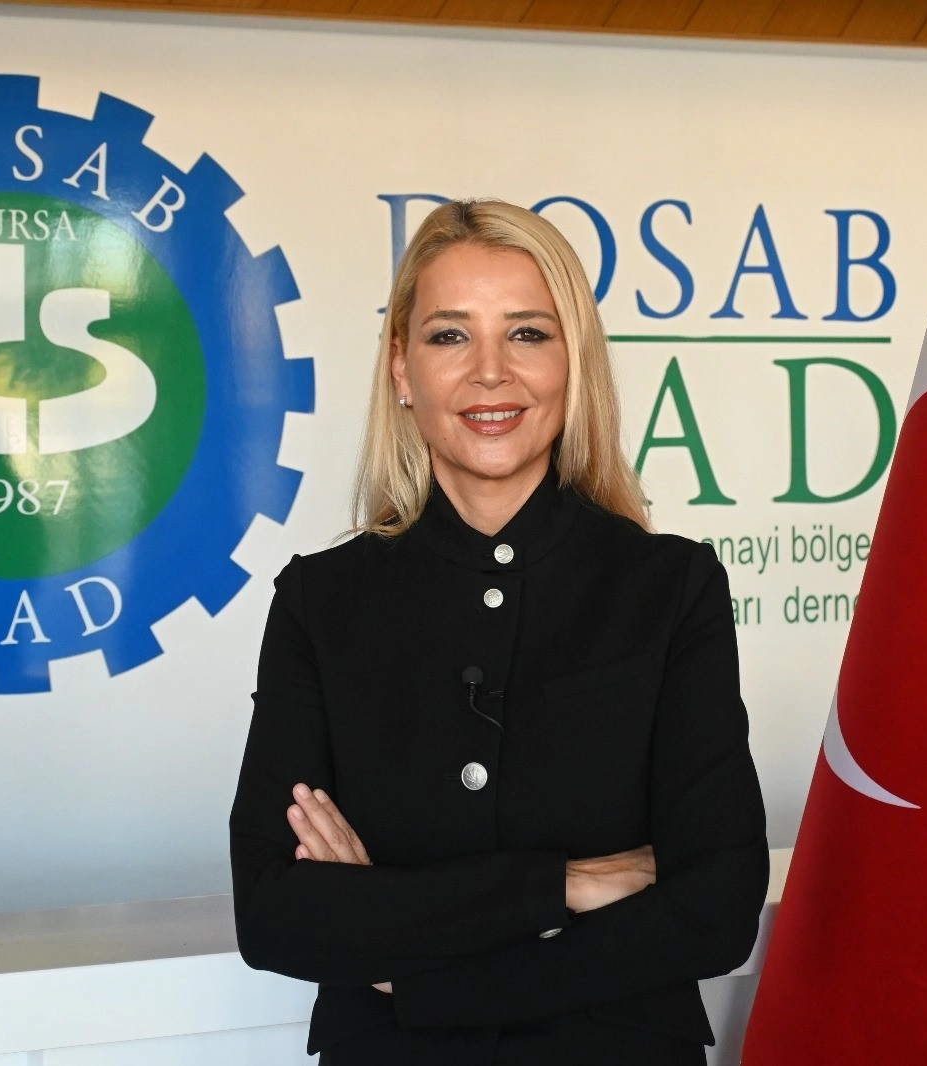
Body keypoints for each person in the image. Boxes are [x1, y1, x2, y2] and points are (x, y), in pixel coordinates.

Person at [228, 199, 768, 1065]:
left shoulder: (670, 587)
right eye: (449, 335)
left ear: (572, 363)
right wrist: (565, 885)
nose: (490, 372)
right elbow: (275, 914)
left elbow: (716, 908)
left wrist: (413, 963)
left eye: (527, 334)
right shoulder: (319, 601)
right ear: (401, 369)